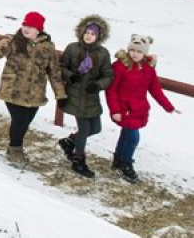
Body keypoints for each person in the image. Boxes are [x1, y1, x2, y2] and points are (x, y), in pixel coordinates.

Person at [0, 11, 67, 166]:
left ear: (39, 29)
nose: (26, 29)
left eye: (31, 26)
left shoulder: (48, 47)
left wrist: (60, 94)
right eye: (25, 25)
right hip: (13, 90)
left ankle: (14, 146)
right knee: (20, 121)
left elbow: (54, 72)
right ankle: (15, 150)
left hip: (35, 94)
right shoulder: (14, 40)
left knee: (25, 122)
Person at [105, 35, 180, 183]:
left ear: (145, 53)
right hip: (124, 109)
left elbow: (155, 89)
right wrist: (115, 110)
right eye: (132, 50)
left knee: (126, 134)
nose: (135, 54)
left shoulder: (148, 69)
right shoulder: (120, 66)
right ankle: (126, 164)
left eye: (139, 51)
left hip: (139, 109)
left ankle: (118, 160)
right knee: (133, 137)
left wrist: (168, 107)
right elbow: (111, 90)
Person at [58, 15, 113, 178]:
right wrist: (70, 76)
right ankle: (78, 159)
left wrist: (97, 85)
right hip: (75, 95)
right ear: (81, 32)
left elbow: (108, 75)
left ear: (98, 36)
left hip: (91, 96)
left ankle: (69, 142)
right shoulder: (72, 48)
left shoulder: (103, 53)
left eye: (93, 34)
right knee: (85, 129)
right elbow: (61, 67)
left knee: (96, 128)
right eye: (87, 32)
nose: (89, 36)